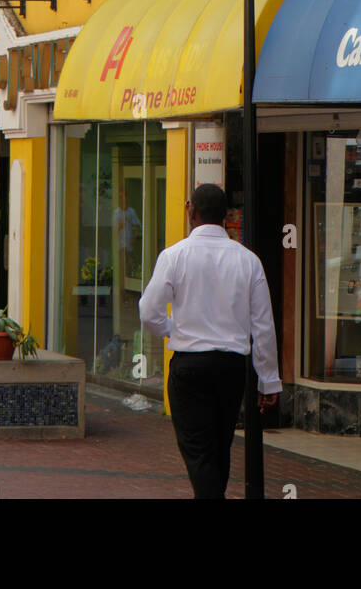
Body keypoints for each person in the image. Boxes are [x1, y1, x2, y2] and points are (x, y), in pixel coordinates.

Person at [138, 183, 282, 499]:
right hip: (231, 367)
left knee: (199, 450)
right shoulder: (248, 260)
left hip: (189, 366)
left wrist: (172, 329)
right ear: (227, 216)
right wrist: (268, 381)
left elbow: (148, 311)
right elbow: (263, 326)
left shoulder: (173, 256)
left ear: (191, 210)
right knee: (220, 446)